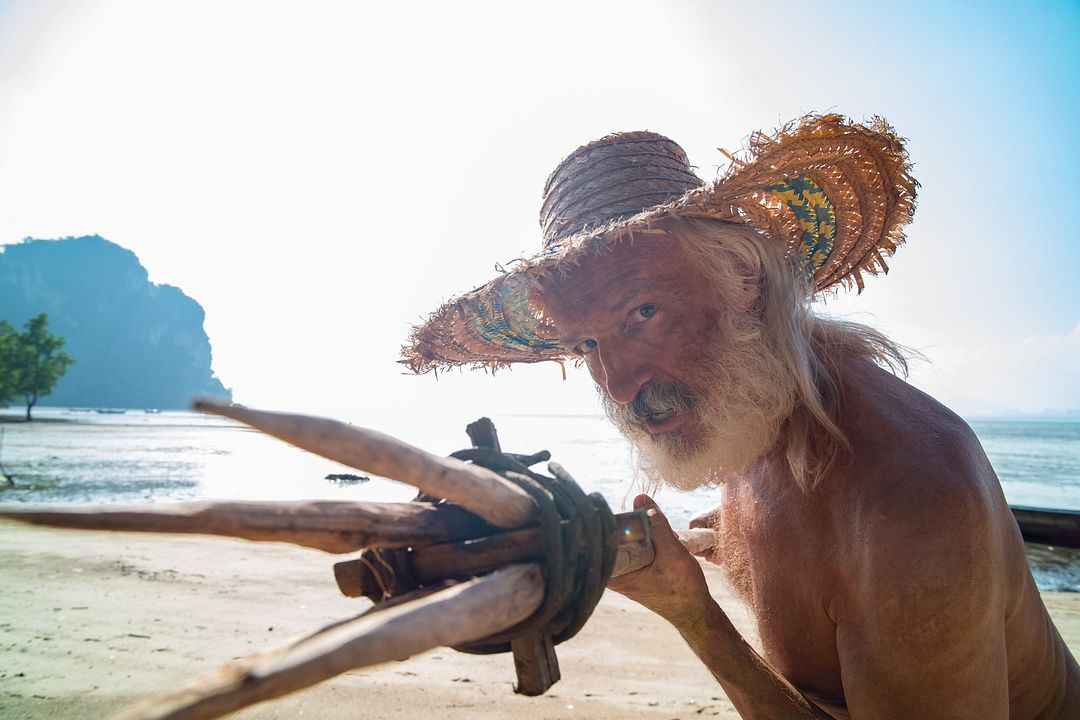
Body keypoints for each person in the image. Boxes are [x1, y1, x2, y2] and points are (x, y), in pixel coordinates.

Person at [403, 115, 1079, 718]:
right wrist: (727, 538)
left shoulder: (907, 501)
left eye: (642, 313)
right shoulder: (753, 426)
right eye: (587, 344)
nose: (617, 382)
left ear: (743, 279)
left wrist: (693, 616)